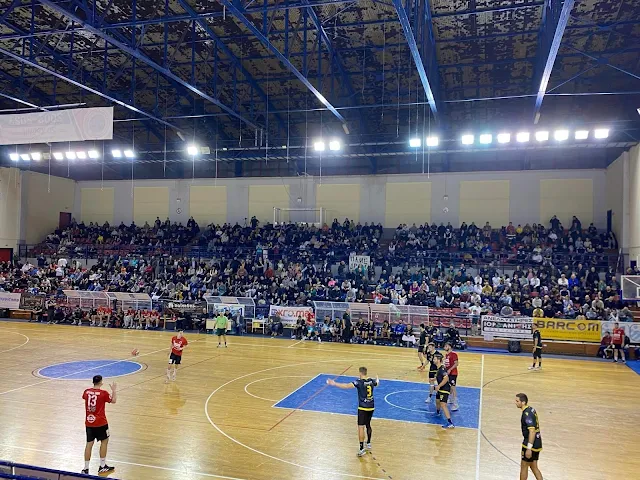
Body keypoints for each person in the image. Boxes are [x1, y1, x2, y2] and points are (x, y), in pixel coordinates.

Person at [326, 366, 379, 456]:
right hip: (371, 407)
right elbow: (377, 383)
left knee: (361, 427)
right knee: (368, 424)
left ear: (360, 373)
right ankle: (368, 443)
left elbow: (346, 386)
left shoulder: (358, 382)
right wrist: (377, 378)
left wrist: (334, 383)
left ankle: (361, 449)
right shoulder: (371, 381)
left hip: (363, 408)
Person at [82, 375, 117, 475]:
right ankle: (102, 466)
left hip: (89, 422)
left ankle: (85, 468)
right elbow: (113, 401)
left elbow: (86, 398)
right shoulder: (103, 393)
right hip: (101, 422)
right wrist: (114, 391)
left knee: (89, 444)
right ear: (101, 382)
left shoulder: (86, 392)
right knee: (104, 441)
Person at [515, 393, 543, 480]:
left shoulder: (526, 414)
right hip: (537, 441)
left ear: (523, 402)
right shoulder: (531, 409)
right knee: (534, 466)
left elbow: (532, 431)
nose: (515, 403)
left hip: (531, 442)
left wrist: (529, 448)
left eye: (517, 401)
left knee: (524, 466)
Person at [433, 353, 455, 429]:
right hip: (441, 389)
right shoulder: (439, 369)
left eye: (435, 359)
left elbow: (446, 378)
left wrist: (439, 386)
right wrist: (434, 380)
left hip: (444, 389)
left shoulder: (442, 369)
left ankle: (450, 423)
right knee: (437, 400)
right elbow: (439, 377)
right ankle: (438, 412)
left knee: (443, 405)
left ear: (438, 360)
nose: (433, 360)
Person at [443, 342, 459, 411]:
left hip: (453, 373)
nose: (444, 347)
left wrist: (450, 369)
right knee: (449, 387)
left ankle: (455, 404)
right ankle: (451, 399)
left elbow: (456, 364)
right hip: (448, 373)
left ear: (449, 347)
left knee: (453, 387)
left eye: (446, 346)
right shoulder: (447, 355)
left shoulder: (453, 354)